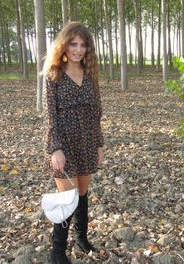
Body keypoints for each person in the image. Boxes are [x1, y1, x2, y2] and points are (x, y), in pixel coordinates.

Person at [42, 22, 104, 264]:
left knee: (82, 193)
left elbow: (96, 113)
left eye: (83, 45)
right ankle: (57, 252)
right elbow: (49, 115)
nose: (78, 49)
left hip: (87, 142)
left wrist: (99, 144)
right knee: (66, 197)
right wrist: (55, 147)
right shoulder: (54, 74)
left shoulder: (90, 76)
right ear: (64, 45)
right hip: (64, 144)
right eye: (74, 44)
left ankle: (82, 239)